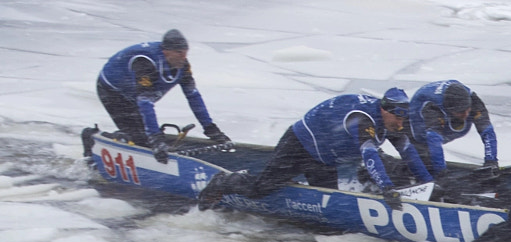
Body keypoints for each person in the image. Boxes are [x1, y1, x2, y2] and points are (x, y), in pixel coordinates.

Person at [198, 89, 427, 208]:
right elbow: (369, 153)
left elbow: (407, 151)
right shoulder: (364, 119)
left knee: (329, 204)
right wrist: (387, 187)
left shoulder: (394, 120)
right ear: (385, 110)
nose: (400, 123)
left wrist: (427, 181)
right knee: (260, 189)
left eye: (404, 118)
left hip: (324, 157)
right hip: (299, 144)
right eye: (398, 117)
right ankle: (223, 181)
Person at [97, 30, 228, 162]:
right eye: (179, 53)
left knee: (143, 134)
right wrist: (155, 138)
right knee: (141, 139)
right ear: (166, 51)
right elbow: (145, 103)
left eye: (185, 53)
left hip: (133, 94)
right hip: (112, 91)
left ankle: (136, 138)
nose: (184, 58)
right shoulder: (145, 63)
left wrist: (211, 129)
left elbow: (193, 96)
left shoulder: (183, 65)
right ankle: (96, 138)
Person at [407, 80, 497, 182]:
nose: (466, 114)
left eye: (467, 110)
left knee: (482, 123)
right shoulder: (432, 109)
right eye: (460, 112)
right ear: (449, 110)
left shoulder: (473, 100)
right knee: (425, 154)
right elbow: (434, 140)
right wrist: (441, 173)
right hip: (417, 123)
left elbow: (487, 130)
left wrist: (491, 160)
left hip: (448, 111)